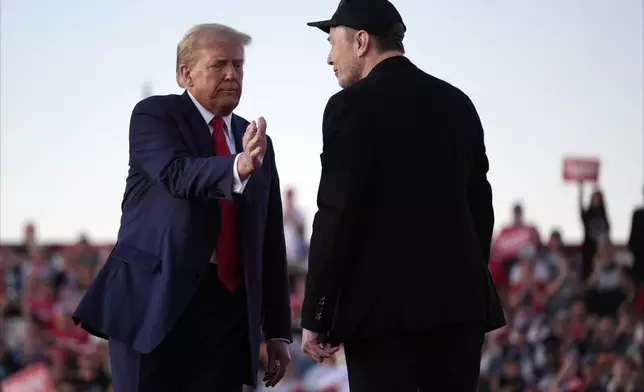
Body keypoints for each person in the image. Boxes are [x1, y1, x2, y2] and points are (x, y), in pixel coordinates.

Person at [72, 24, 292, 392]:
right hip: (154, 305)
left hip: (227, 314)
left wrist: (279, 333)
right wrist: (236, 167)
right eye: (219, 64)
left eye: (239, 66)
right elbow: (177, 173)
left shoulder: (255, 142)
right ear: (184, 74)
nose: (231, 75)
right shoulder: (155, 116)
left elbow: (269, 242)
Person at [300, 1, 505, 391]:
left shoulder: (350, 107)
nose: (329, 57)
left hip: (382, 319)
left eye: (332, 43)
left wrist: (317, 314)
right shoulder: (457, 103)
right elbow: (481, 209)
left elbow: (337, 213)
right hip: (460, 309)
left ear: (360, 41)